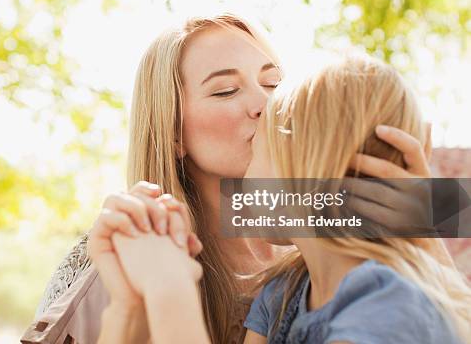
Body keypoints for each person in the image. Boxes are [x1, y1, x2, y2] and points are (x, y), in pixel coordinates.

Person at [21, 14, 453, 344]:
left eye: (276, 84)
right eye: (226, 90)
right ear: (171, 132)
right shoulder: (115, 263)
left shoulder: (358, 276)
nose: (265, 105)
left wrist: (420, 225)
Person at [95, 55, 471, 344]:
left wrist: (169, 286)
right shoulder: (284, 293)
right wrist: (127, 311)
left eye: (258, 152)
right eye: (226, 89)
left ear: (304, 162)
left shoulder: (390, 306)